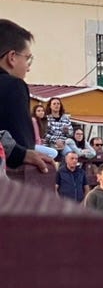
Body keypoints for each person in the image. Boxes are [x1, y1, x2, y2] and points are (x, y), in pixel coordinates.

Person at [0, 18, 56, 175]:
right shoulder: (13, 86)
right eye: (27, 58)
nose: (28, 68)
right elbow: (24, 144)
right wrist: (20, 154)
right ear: (12, 57)